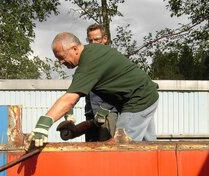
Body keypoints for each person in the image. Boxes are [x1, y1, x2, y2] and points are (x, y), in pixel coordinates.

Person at [27, 32, 159, 148]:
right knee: (149, 146)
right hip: (146, 95)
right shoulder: (93, 53)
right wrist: (79, 126)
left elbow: (70, 99)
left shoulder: (89, 62)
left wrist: (43, 125)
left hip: (138, 100)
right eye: (58, 59)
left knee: (121, 148)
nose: (60, 62)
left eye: (62, 57)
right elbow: (113, 86)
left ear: (75, 49)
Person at [83, 23, 118, 141]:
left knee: (106, 151)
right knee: (90, 151)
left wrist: (104, 109)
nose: (93, 43)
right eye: (90, 40)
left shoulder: (114, 59)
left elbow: (119, 89)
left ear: (105, 39)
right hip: (90, 114)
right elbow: (78, 87)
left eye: (97, 39)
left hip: (108, 113)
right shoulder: (86, 62)